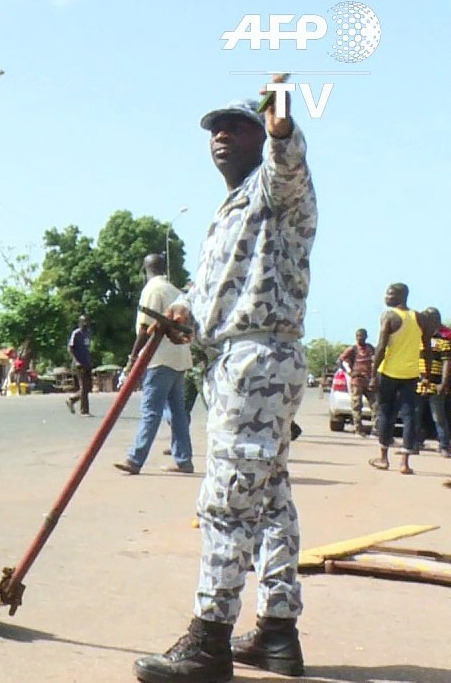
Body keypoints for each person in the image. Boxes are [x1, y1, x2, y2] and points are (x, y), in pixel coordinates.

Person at [135, 85, 317, 682]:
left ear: (259, 133)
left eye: (236, 126)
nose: (220, 135)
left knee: (227, 501)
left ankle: (208, 643)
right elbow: (219, 287)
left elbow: (288, 166)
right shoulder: (232, 210)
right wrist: (189, 311)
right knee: (269, 500)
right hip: (241, 358)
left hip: (257, 358)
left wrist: (283, 129)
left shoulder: (275, 188)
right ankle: (276, 633)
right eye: (214, 127)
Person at [116, 254, 194, 475]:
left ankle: (135, 459)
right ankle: (184, 460)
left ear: (145, 270)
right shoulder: (175, 291)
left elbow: (144, 328)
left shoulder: (152, 289)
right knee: (177, 412)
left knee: (151, 411)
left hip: (158, 358)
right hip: (179, 358)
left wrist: (133, 358)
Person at [369, 284, 426, 475]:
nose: (386, 297)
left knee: (385, 413)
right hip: (411, 374)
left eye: (390, 293)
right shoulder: (419, 317)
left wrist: (372, 374)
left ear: (401, 295)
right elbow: (426, 348)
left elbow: (381, 347)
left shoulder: (389, 316)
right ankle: (404, 463)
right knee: (410, 415)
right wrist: (424, 374)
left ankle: (384, 458)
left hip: (388, 373)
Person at [418, 308, 450, 457]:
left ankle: (444, 445)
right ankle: (415, 443)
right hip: (419, 384)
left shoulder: (442, 340)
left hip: (436, 383)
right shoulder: (418, 339)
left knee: (438, 417)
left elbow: (446, 363)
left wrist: (443, 383)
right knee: (417, 415)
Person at [338, 328, 377, 437]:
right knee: (356, 406)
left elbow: (377, 359)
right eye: (358, 336)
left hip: (369, 381)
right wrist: (350, 372)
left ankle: (375, 430)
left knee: (375, 405)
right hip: (356, 381)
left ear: (366, 336)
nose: (360, 338)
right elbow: (340, 360)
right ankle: (358, 430)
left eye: (362, 336)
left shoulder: (370, 348)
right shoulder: (353, 349)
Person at [65, 315, 94, 417]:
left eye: (87, 321)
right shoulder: (76, 333)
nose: (86, 323)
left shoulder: (88, 333)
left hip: (87, 363)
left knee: (88, 387)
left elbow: (87, 348)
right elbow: (70, 348)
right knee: (83, 387)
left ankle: (71, 400)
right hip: (79, 364)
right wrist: (76, 360)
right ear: (80, 322)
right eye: (84, 321)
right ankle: (84, 411)